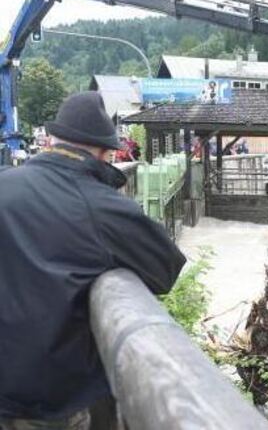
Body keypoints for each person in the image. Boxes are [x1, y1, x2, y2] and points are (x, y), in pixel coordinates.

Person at [0, 92, 186, 429]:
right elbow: (166, 268)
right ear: (106, 154)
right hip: (49, 402)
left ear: (51, 141)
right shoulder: (97, 205)